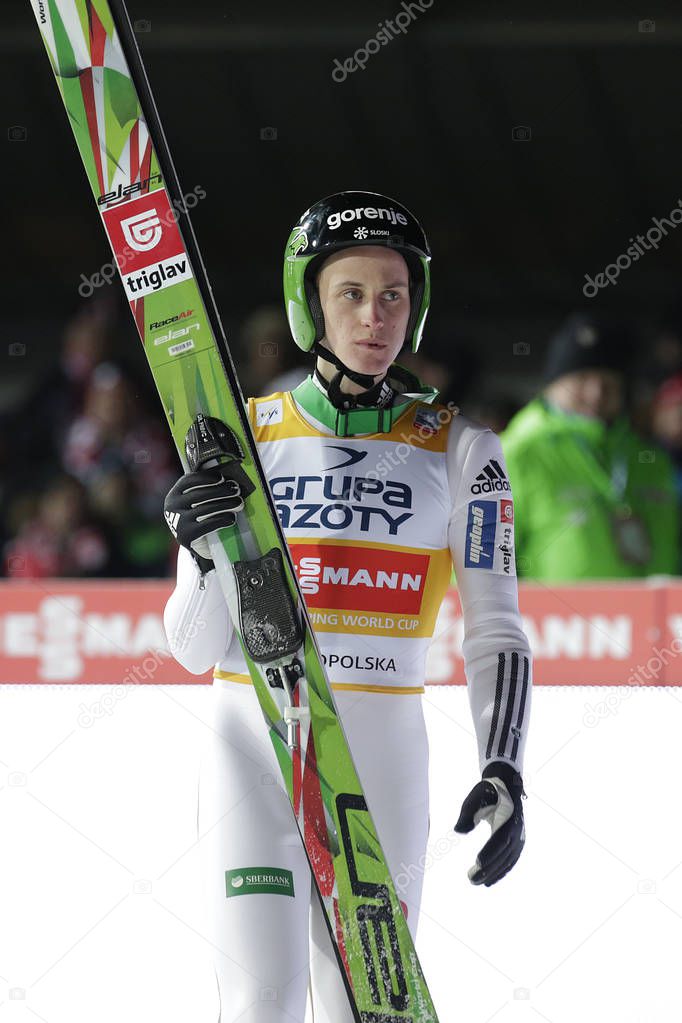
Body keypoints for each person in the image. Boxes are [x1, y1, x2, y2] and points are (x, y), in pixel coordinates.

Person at [163, 191, 533, 1023]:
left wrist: (504, 762)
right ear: (310, 307)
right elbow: (193, 649)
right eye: (351, 294)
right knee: (262, 1002)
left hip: (381, 759)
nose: (376, 317)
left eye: (394, 294)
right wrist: (196, 550)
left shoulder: (465, 449)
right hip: (252, 747)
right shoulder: (245, 437)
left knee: (366, 1011)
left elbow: (497, 627)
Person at [501, 313, 678, 581]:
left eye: (608, 382)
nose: (596, 394)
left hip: (658, 620)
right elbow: (477, 564)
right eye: (581, 380)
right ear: (551, 386)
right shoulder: (512, 454)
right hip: (554, 622)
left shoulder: (651, 459)